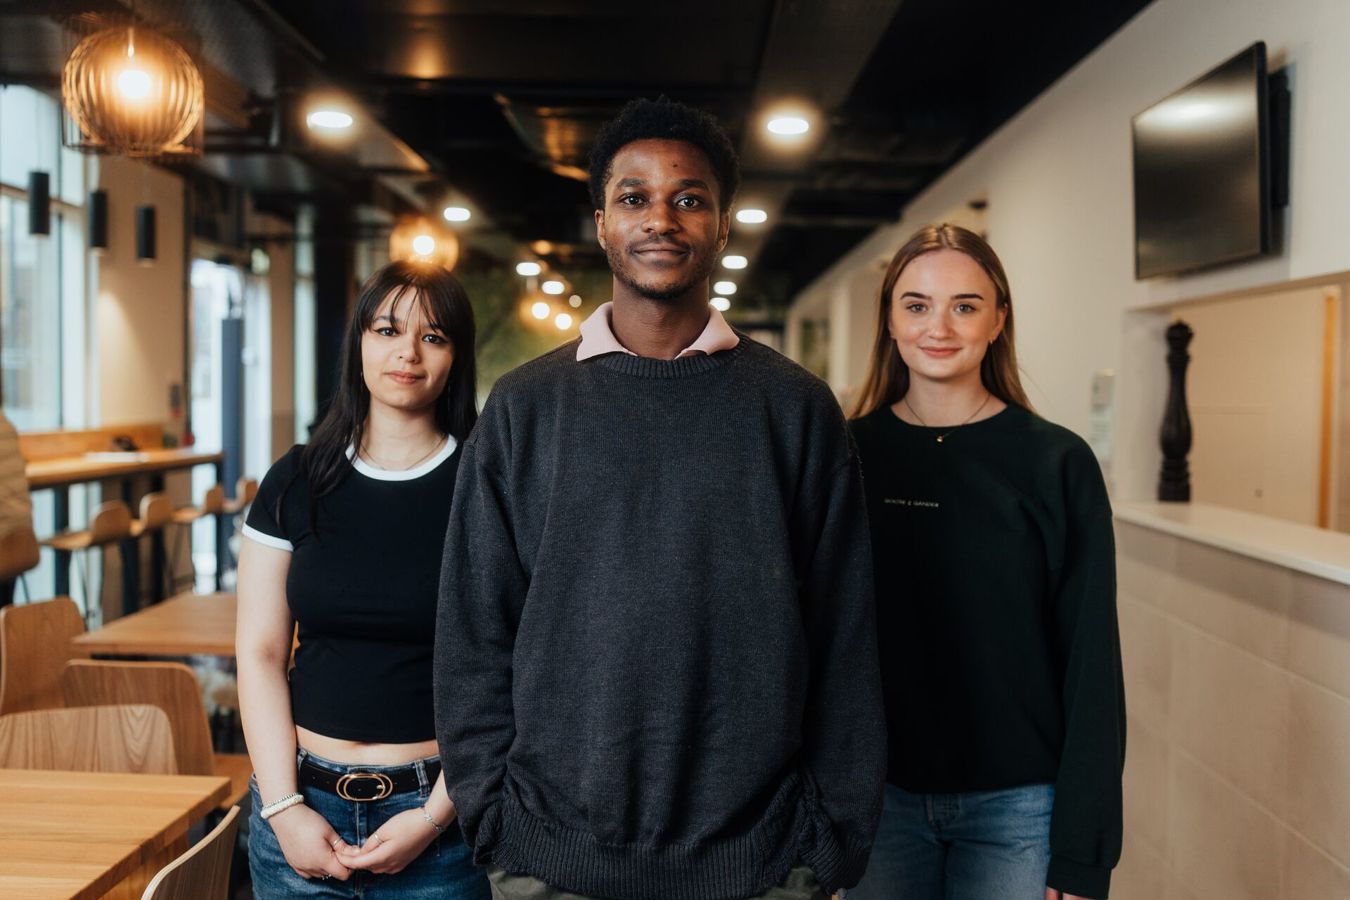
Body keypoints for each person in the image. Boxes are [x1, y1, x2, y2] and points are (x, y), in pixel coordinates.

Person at [434, 96, 885, 900]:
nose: (661, 219)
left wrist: (831, 838)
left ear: (721, 224)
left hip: (762, 862)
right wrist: (493, 817)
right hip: (551, 857)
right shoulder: (525, 406)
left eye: (689, 198)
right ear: (601, 223)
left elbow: (845, 632)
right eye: (634, 197)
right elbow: (474, 628)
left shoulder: (794, 408)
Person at [845, 224, 1125, 900]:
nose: (939, 326)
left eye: (965, 306)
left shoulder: (1055, 463)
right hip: (876, 805)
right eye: (916, 305)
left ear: (999, 320)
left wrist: (1083, 851)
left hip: (1019, 810)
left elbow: (1091, 662)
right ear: (888, 320)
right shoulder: (844, 455)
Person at [237, 260, 489, 899]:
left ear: (457, 356)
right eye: (387, 329)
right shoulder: (295, 480)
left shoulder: (487, 484)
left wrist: (434, 817)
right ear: (358, 343)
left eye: (433, 336)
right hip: (299, 805)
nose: (408, 352)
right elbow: (261, 653)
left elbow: (508, 668)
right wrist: (285, 808)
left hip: (441, 818)